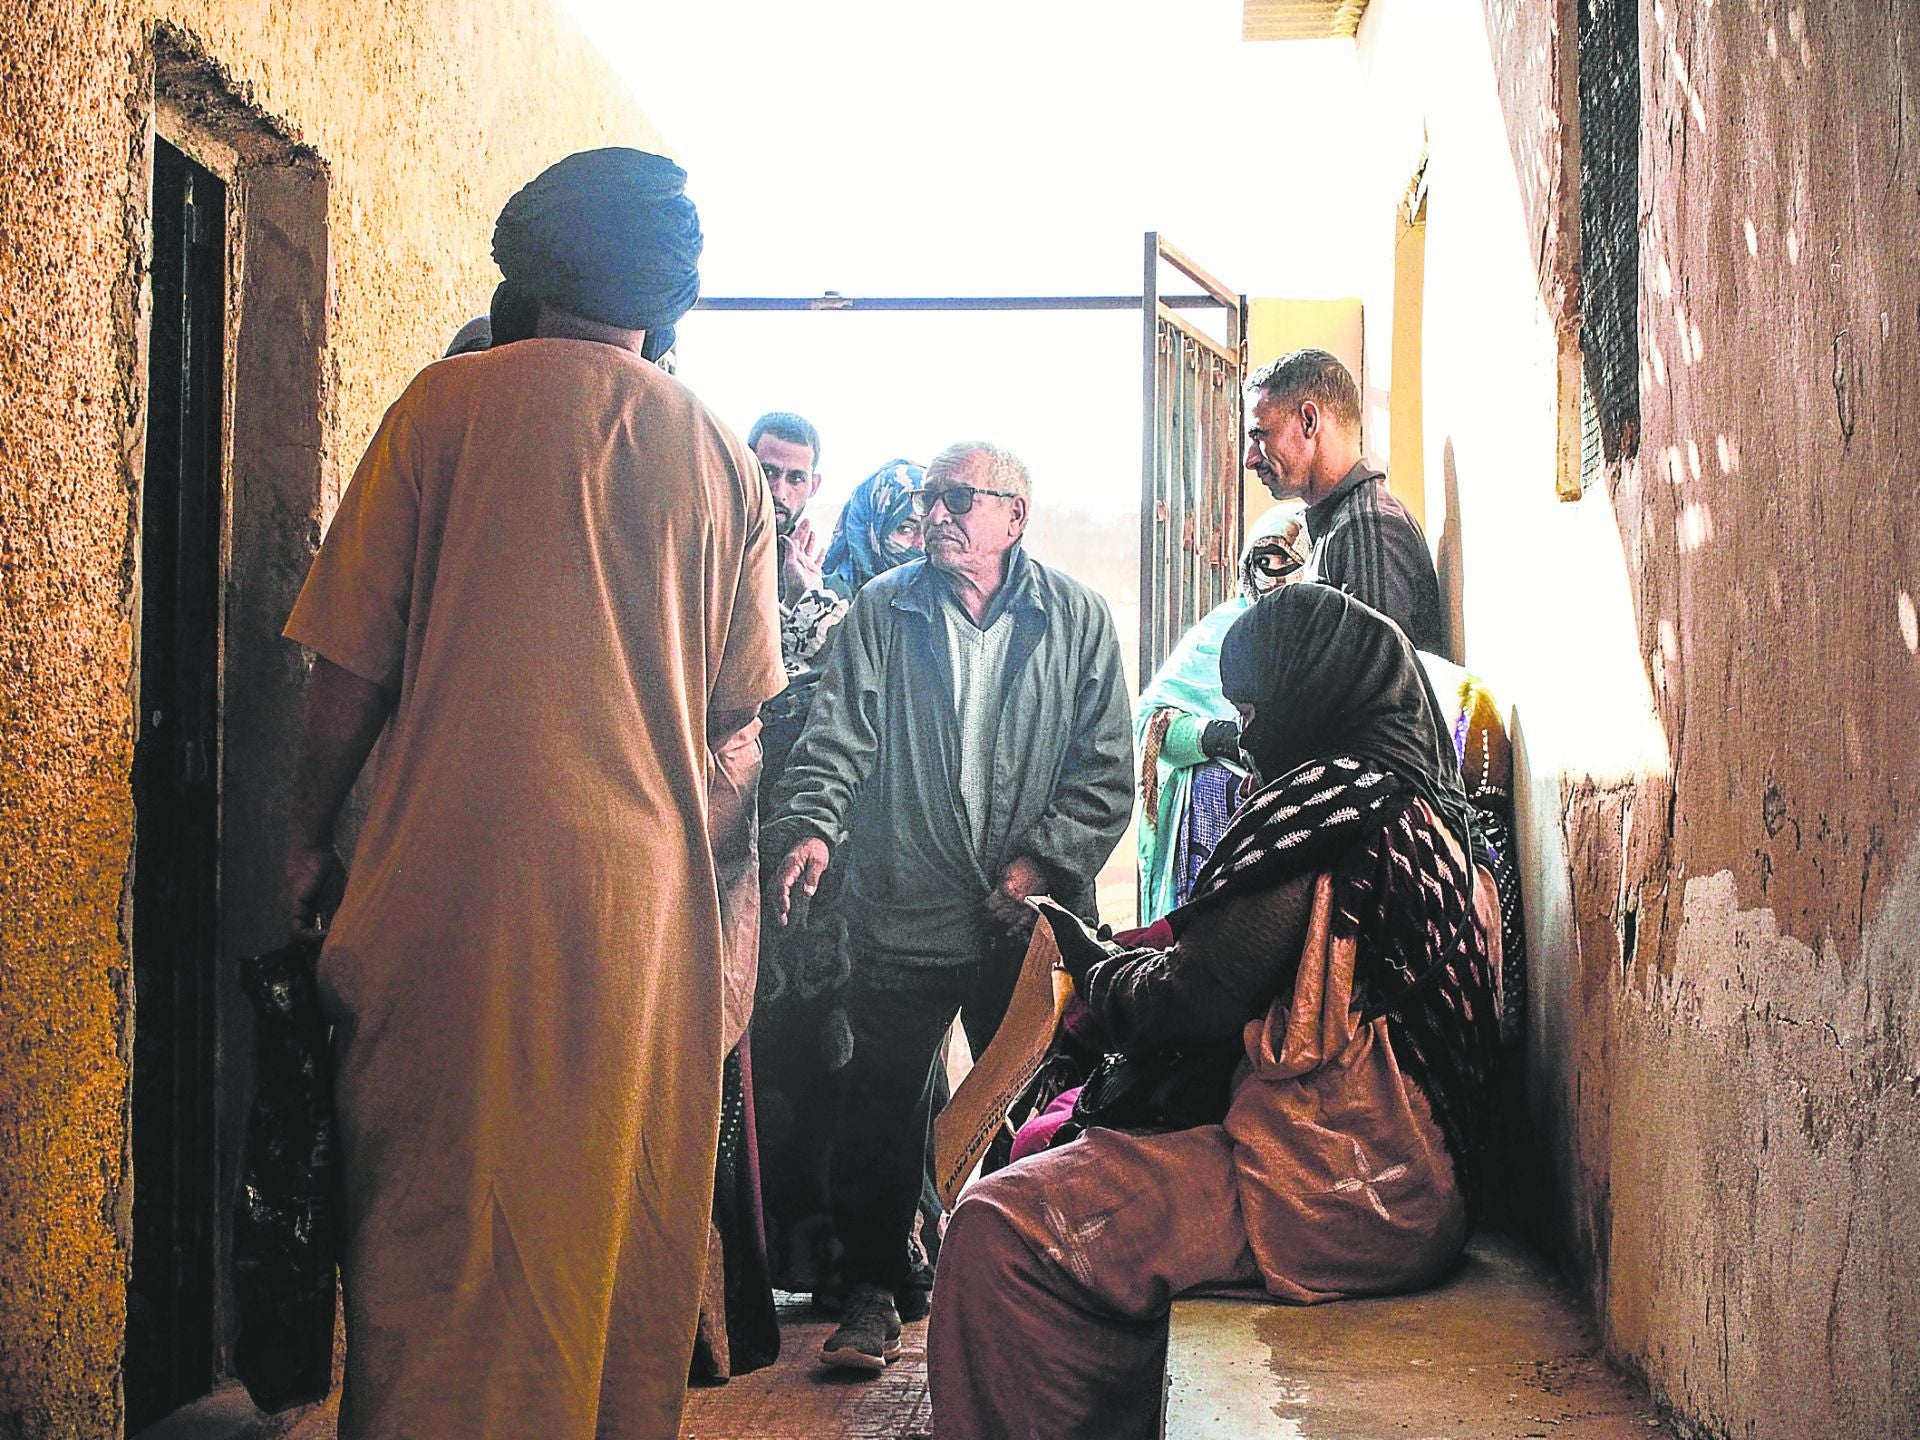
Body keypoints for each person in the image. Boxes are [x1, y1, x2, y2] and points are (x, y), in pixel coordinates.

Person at [279, 148, 784, 1439]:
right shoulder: (723, 463)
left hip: (447, 920)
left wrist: (292, 845)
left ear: (531, 268)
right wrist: (678, 850)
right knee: (610, 1262)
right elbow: (741, 734)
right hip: (637, 949)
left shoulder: (440, 414)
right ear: (662, 300)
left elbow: (345, 676)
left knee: (438, 1265)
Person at [927, 584, 1504, 1440]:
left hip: (1320, 1188)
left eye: (1257, 707)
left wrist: (1088, 963)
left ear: (1316, 693)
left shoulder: (1324, 808)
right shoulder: (1438, 816)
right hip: (1417, 1191)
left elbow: (1185, 1002)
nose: (1250, 737)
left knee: (993, 1229)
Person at [764, 441, 1133, 1372]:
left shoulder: (1078, 620)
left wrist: (1039, 866)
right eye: (930, 497)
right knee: (881, 1105)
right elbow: (836, 735)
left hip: (1027, 915)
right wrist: (811, 825)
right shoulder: (884, 611)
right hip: (905, 909)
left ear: (1015, 515)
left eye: (959, 498)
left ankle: (1040, 1291)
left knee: (1035, 1107)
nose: (936, 514)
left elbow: (1103, 774)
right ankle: (875, 1295)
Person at [749, 458, 927, 1313]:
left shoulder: (888, 613)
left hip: (861, 888)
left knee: (861, 1071)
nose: (910, 547)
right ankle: (789, 1255)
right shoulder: (816, 602)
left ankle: (864, 1261)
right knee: (778, 1070)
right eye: (896, 529)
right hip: (768, 870)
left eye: (796, 475)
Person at [1135, 502, 1311, 923]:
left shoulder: (1320, 641)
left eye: (1287, 561)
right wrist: (1220, 738)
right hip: (1200, 837)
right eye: (1262, 562)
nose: (1274, 575)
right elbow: (1153, 724)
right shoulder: (1222, 630)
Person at [1243, 349, 1445, 652]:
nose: (1251, 458)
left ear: (1309, 421)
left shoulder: (1366, 527)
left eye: (1260, 435)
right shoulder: (1341, 524)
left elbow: (1377, 689)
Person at [749, 411, 829, 612]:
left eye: (796, 478)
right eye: (768, 473)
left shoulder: (811, 572)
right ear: (746, 469)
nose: (779, 493)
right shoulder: (711, 544)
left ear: (814, 486)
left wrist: (803, 601)